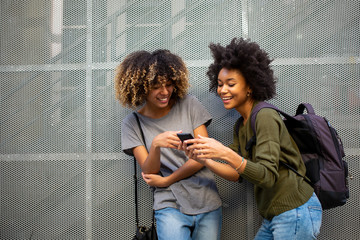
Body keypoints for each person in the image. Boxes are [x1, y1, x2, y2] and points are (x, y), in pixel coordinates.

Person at [184, 38, 322, 239]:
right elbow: (237, 173)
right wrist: (204, 160)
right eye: (220, 84)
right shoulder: (241, 124)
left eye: (231, 84)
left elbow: (266, 176)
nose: (222, 90)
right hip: (275, 213)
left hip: (295, 211)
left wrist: (224, 152)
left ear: (250, 86)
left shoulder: (265, 116)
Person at [115, 49, 222, 240]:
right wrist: (156, 145)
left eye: (169, 84)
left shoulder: (189, 104)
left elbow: (204, 156)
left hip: (206, 200)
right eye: (156, 86)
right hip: (169, 204)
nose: (164, 92)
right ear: (141, 87)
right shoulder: (132, 124)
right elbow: (149, 173)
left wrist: (167, 180)